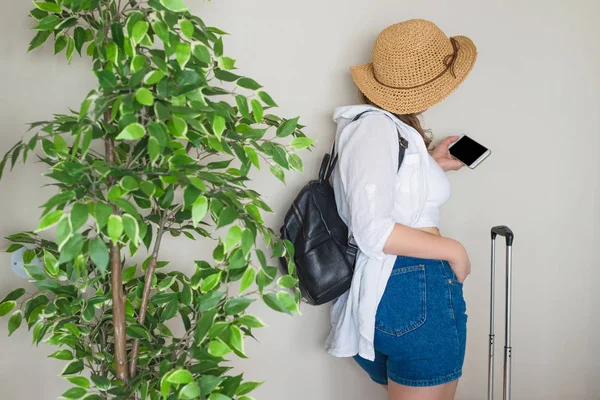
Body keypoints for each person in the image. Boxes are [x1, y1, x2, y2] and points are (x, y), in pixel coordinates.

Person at [325, 19, 477, 400]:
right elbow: (374, 230)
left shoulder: (385, 130)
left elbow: (387, 196)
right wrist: (454, 251)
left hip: (404, 284)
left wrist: (431, 163)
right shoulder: (375, 129)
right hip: (414, 281)